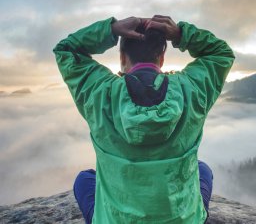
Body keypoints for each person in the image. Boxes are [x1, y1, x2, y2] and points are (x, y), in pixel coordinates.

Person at [53, 15, 235, 223]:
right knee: (202, 169)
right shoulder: (191, 89)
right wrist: (181, 34)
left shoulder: (99, 92)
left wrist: (111, 29)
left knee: (84, 179)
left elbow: (66, 50)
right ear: (162, 58)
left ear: (122, 57)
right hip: (184, 219)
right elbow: (221, 53)